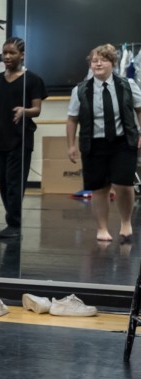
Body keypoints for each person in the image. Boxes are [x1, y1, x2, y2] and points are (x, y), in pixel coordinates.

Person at [65, 44, 141, 242]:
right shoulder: (80, 90)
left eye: (103, 59)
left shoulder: (127, 84)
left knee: (123, 183)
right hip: (93, 143)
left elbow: (139, 110)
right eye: (94, 60)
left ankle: (125, 223)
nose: (98, 63)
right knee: (99, 187)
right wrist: (71, 145)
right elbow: (72, 119)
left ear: (112, 63)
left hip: (123, 141)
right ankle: (102, 228)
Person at [0, 37, 46, 241]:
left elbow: (37, 109)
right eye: (5, 53)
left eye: (12, 53)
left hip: (21, 138)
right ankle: (12, 218)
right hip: (1, 137)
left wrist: (25, 111)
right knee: (3, 182)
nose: (7, 56)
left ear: (22, 55)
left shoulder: (32, 79)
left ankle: (14, 222)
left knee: (15, 183)